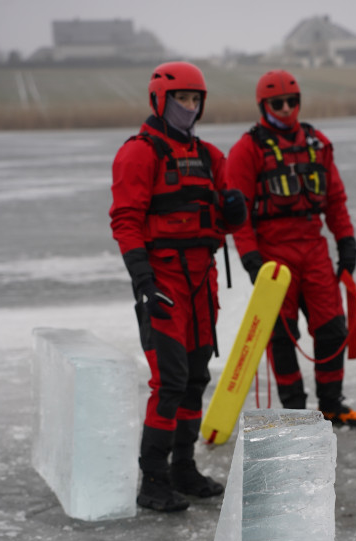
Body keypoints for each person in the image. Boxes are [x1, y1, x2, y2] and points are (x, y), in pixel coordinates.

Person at [110, 61, 247, 513]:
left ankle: (184, 469)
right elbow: (126, 222)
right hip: (163, 281)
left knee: (193, 379)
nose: (189, 107)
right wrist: (143, 280)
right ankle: (154, 479)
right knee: (168, 382)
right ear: (159, 101)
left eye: (195, 100)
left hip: (202, 280)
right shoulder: (139, 153)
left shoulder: (211, 157)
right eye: (181, 100)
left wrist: (234, 209)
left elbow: (226, 219)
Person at [227, 69, 356, 428]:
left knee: (333, 327)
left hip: (314, 248)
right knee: (282, 335)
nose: (287, 108)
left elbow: (335, 200)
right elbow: (238, 211)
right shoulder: (248, 149)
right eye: (278, 103)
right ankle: (294, 411)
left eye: (293, 101)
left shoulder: (317, 143)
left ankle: (332, 404)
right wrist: (249, 257)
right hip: (274, 254)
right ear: (264, 105)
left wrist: (346, 241)